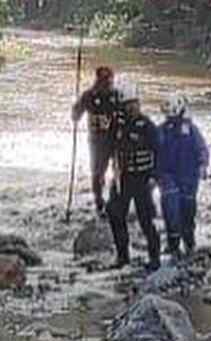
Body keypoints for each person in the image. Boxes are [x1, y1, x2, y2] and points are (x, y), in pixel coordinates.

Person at [107, 79, 161, 270]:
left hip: (142, 178)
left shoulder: (147, 126)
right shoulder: (117, 123)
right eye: (127, 105)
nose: (132, 108)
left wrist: (155, 177)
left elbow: (159, 151)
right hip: (122, 178)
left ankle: (155, 258)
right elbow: (107, 145)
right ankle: (123, 257)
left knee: (146, 219)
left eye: (134, 104)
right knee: (114, 214)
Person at [157, 94, 209, 258]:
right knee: (171, 211)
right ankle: (173, 247)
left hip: (189, 178)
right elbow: (153, 153)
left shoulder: (191, 130)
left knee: (188, 212)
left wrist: (202, 165)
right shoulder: (161, 131)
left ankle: (189, 244)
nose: (171, 119)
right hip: (168, 177)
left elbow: (202, 149)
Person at [71, 66, 119, 217]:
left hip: (115, 139)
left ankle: (115, 199)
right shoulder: (89, 96)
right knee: (98, 172)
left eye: (108, 81)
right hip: (97, 141)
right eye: (103, 81)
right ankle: (99, 201)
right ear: (97, 80)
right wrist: (75, 111)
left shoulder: (117, 95)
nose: (106, 85)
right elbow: (75, 115)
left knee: (119, 170)